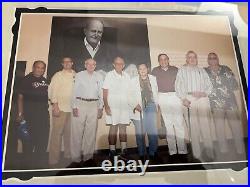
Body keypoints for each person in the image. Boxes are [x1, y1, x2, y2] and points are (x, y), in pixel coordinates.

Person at [175, 50, 214, 162]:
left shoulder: (201, 70)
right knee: (193, 128)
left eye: (194, 57)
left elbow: (209, 85)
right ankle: (196, 154)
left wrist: (204, 93)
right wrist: (184, 99)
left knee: (205, 126)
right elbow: (178, 86)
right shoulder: (182, 70)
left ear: (196, 59)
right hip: (189, 99)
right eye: (190, 57)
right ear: (186, 59)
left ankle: (210, 152)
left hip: (202, 99)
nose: (192, 59)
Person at [204, 52, 245, 157]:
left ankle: (241, 149)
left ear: (218, 59)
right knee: (219, 128)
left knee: (236, 127)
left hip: (230, 103)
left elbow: (235, 85)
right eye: (210, 58)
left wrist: (225, 88)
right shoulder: (204, 72)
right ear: (208, 60)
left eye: (214, 57)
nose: (213, 59)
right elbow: (203, 87)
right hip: (215, 105)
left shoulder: (226, 69)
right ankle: (223, 150)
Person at [152, 54, 188, 160]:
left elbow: (181, 84)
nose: (163, 61)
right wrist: (156, 101)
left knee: (179, 124)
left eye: (165, 59)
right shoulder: (155, 71)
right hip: (162, 96)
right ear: (159, 61)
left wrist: (183, 97)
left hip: (175, 96)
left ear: (168, 60)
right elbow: (153, 86)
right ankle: (172, 150)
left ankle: (182, 150)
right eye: (161, 60)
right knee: (168, 125)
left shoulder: (175, 69)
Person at [16, 60, 50, 169]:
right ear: (33, 68)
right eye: (38, 67)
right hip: (30, 115)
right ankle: (26, 167)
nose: (40, 70)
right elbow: (20, 97)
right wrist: (20, 114)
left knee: (42, 140)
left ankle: (39, 165)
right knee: (29, 141)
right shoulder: (26, 80)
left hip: (43, 114)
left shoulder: (45, 81)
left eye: (42, 68)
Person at [71, 58, 103, 166]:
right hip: (80, 104)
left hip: (94, 105)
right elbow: (74, 91)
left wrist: (100, 107)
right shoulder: (79, 75)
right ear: (85, 65)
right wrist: (74, 106)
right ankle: (75, 158)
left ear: (95, 66)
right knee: (77, 132)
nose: (91, 66)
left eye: (93, 64)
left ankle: (88, 157)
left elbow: (101, 93)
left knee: (91, 132)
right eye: (89, 64)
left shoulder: (99, 76)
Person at [48, 57, 75, 167]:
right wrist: (55, 105)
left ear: (72, 63)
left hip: (72, 109)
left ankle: (68, 156)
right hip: (60, 108)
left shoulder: (75, 74)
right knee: (56, 134)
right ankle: (53, 160)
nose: (67, 63)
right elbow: (52, 90)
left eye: (69, 61)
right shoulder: (58, 75)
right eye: (65, 62)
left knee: (69, 134)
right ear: (62, 64)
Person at [103, 56, 131, 159]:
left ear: (123, 65)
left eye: (121, 64)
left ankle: (124, 150)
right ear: (113, 65)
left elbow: (130, 92)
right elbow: (105, 91)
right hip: (112, 107)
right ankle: (112, 150)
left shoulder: (127, 76)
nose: (119, 65)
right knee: (113, 128)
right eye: (117, 63)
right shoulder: (109, 75)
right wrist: (106, 106)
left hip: (125, 106)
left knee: (123, 128)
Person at [130, 63, 159, 162]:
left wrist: (156, 105)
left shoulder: (153, 78)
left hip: (150, 106)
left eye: (144, 68)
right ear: (138, 70)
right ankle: (141, 153)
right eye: (140, 69)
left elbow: (156, 92)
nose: (142, 70)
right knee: (140, 132)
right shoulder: (133, 80)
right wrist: (135, 104)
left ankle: (152, 152)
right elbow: (128, 95)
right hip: (139, 108)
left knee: (152, 131)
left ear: (147, 69)